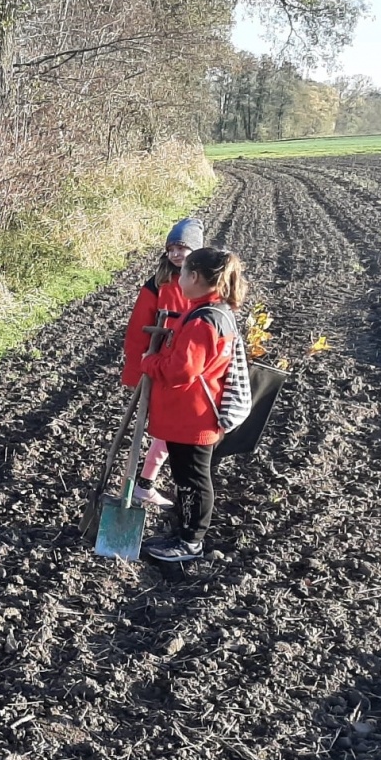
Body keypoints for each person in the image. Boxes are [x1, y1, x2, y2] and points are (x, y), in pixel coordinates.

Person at [140, 247, 248, 563]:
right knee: (188, 477)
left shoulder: (204, 321)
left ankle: (190, 543)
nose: (180, 279)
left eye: (184, 273)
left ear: (195, 277)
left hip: (192, 417)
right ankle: (185, 533)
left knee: (193, 481)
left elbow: (181, 371)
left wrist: (151, 362)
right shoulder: (215, 312)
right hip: (192, 415)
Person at [120, 218, 201, 508]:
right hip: (160, 365)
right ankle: (143, 483)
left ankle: (145, 482)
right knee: (170, 427)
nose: (178, 254)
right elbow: (137, 329)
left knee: (175, 428)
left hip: (188, 366)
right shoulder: (157, 284)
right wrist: (135, 372)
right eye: (172, 248)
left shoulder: (204, 284)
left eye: (184, 247)